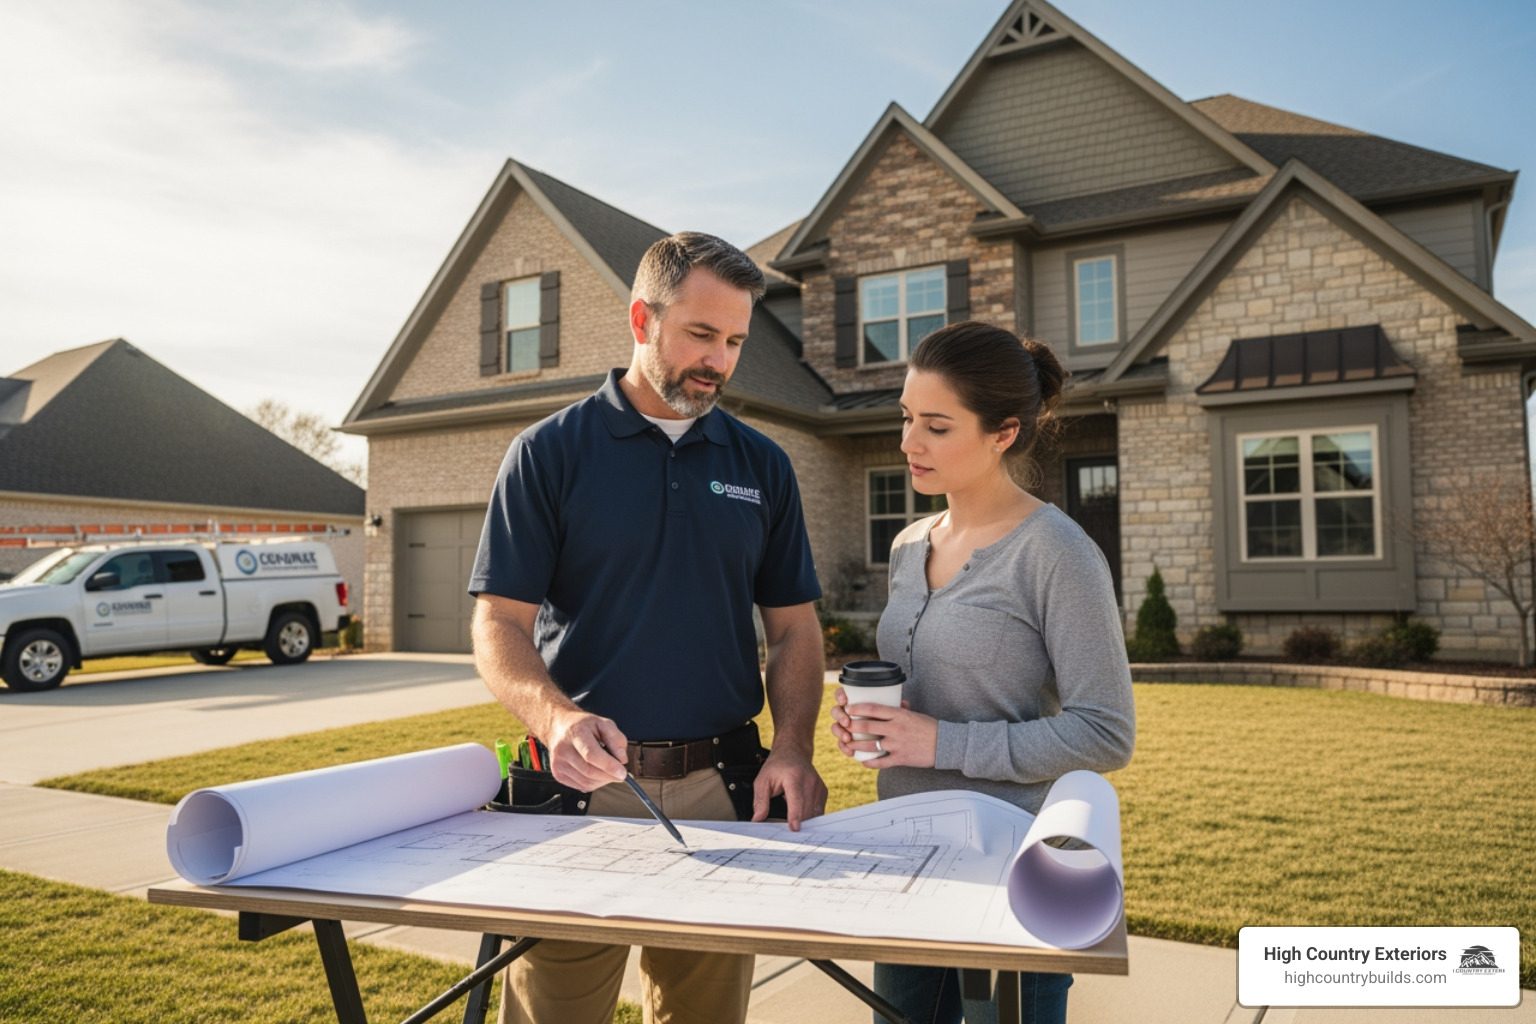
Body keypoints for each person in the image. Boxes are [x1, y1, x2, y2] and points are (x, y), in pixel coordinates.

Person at [469, 232, 829, 1024]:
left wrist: (794, 746)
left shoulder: (762, 464)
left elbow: (796, 631)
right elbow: (497, 623)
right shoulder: (548, 454)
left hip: (721, 788)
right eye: (702, 334)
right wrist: (555, 717)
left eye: (734, 341)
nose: (720, 359)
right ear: (642, 317)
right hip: (579, 790)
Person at [829, 320, 1136, 1024]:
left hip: (1018, 867)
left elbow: (1105, 732)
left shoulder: (1057, 553)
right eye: (907, 418)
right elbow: (924, 695)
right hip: (909, 853)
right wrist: (869, 725)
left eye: (937, 426)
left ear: (1002, 432)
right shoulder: (911, 545)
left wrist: (942, 743)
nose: (909, 442)